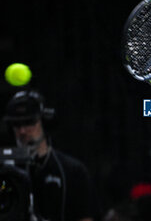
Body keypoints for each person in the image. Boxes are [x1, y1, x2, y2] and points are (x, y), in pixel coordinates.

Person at [3, 90, 96, 221]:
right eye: (17, 124)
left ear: (44, 122)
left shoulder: (73, 171)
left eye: (29, 122)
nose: (22, 131)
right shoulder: (5, 171)